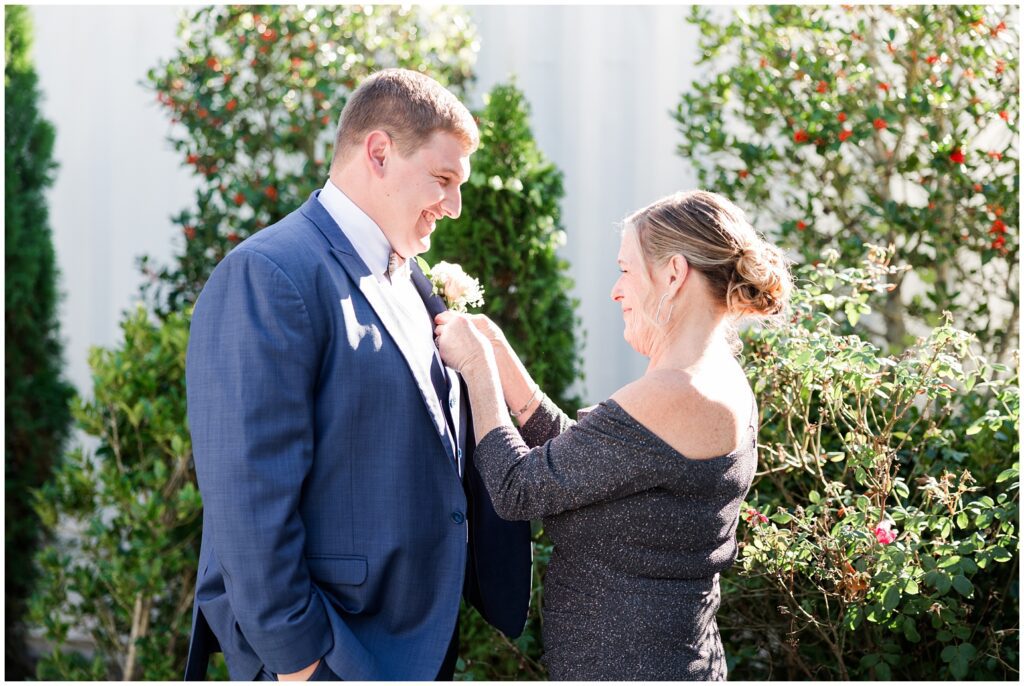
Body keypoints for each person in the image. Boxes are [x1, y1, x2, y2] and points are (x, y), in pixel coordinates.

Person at [183, 68, 532, 681]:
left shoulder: (407, 276)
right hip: (331, 652)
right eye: (444, 180)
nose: (454, 206)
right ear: (379, 152)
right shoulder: (270, 275)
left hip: (410, 646)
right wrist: (300, 663)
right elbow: (248, 500)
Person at [434, 189, 792, 680]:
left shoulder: (678, 392)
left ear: (674, 274)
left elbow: (519, 487)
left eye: (626, 270)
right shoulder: (710, 378)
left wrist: (475, 366)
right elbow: (582, 461)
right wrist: (499, 353)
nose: (616, 290)